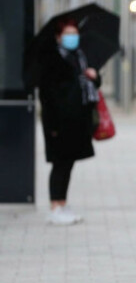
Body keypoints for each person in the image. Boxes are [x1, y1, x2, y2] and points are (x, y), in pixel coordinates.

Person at [36, 19, 101, 225]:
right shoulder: (51, 60)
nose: (73, 38)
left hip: (75, 121)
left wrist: (94, 77)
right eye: (68, 34)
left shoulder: (78, 56)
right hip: (58, 123)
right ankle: (55, 206)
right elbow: (47, 96)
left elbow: (86, 85)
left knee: (68, 164)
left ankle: (62, 203)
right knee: (60, 164)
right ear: (58, 37)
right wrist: (53, 126)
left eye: (75, 33)